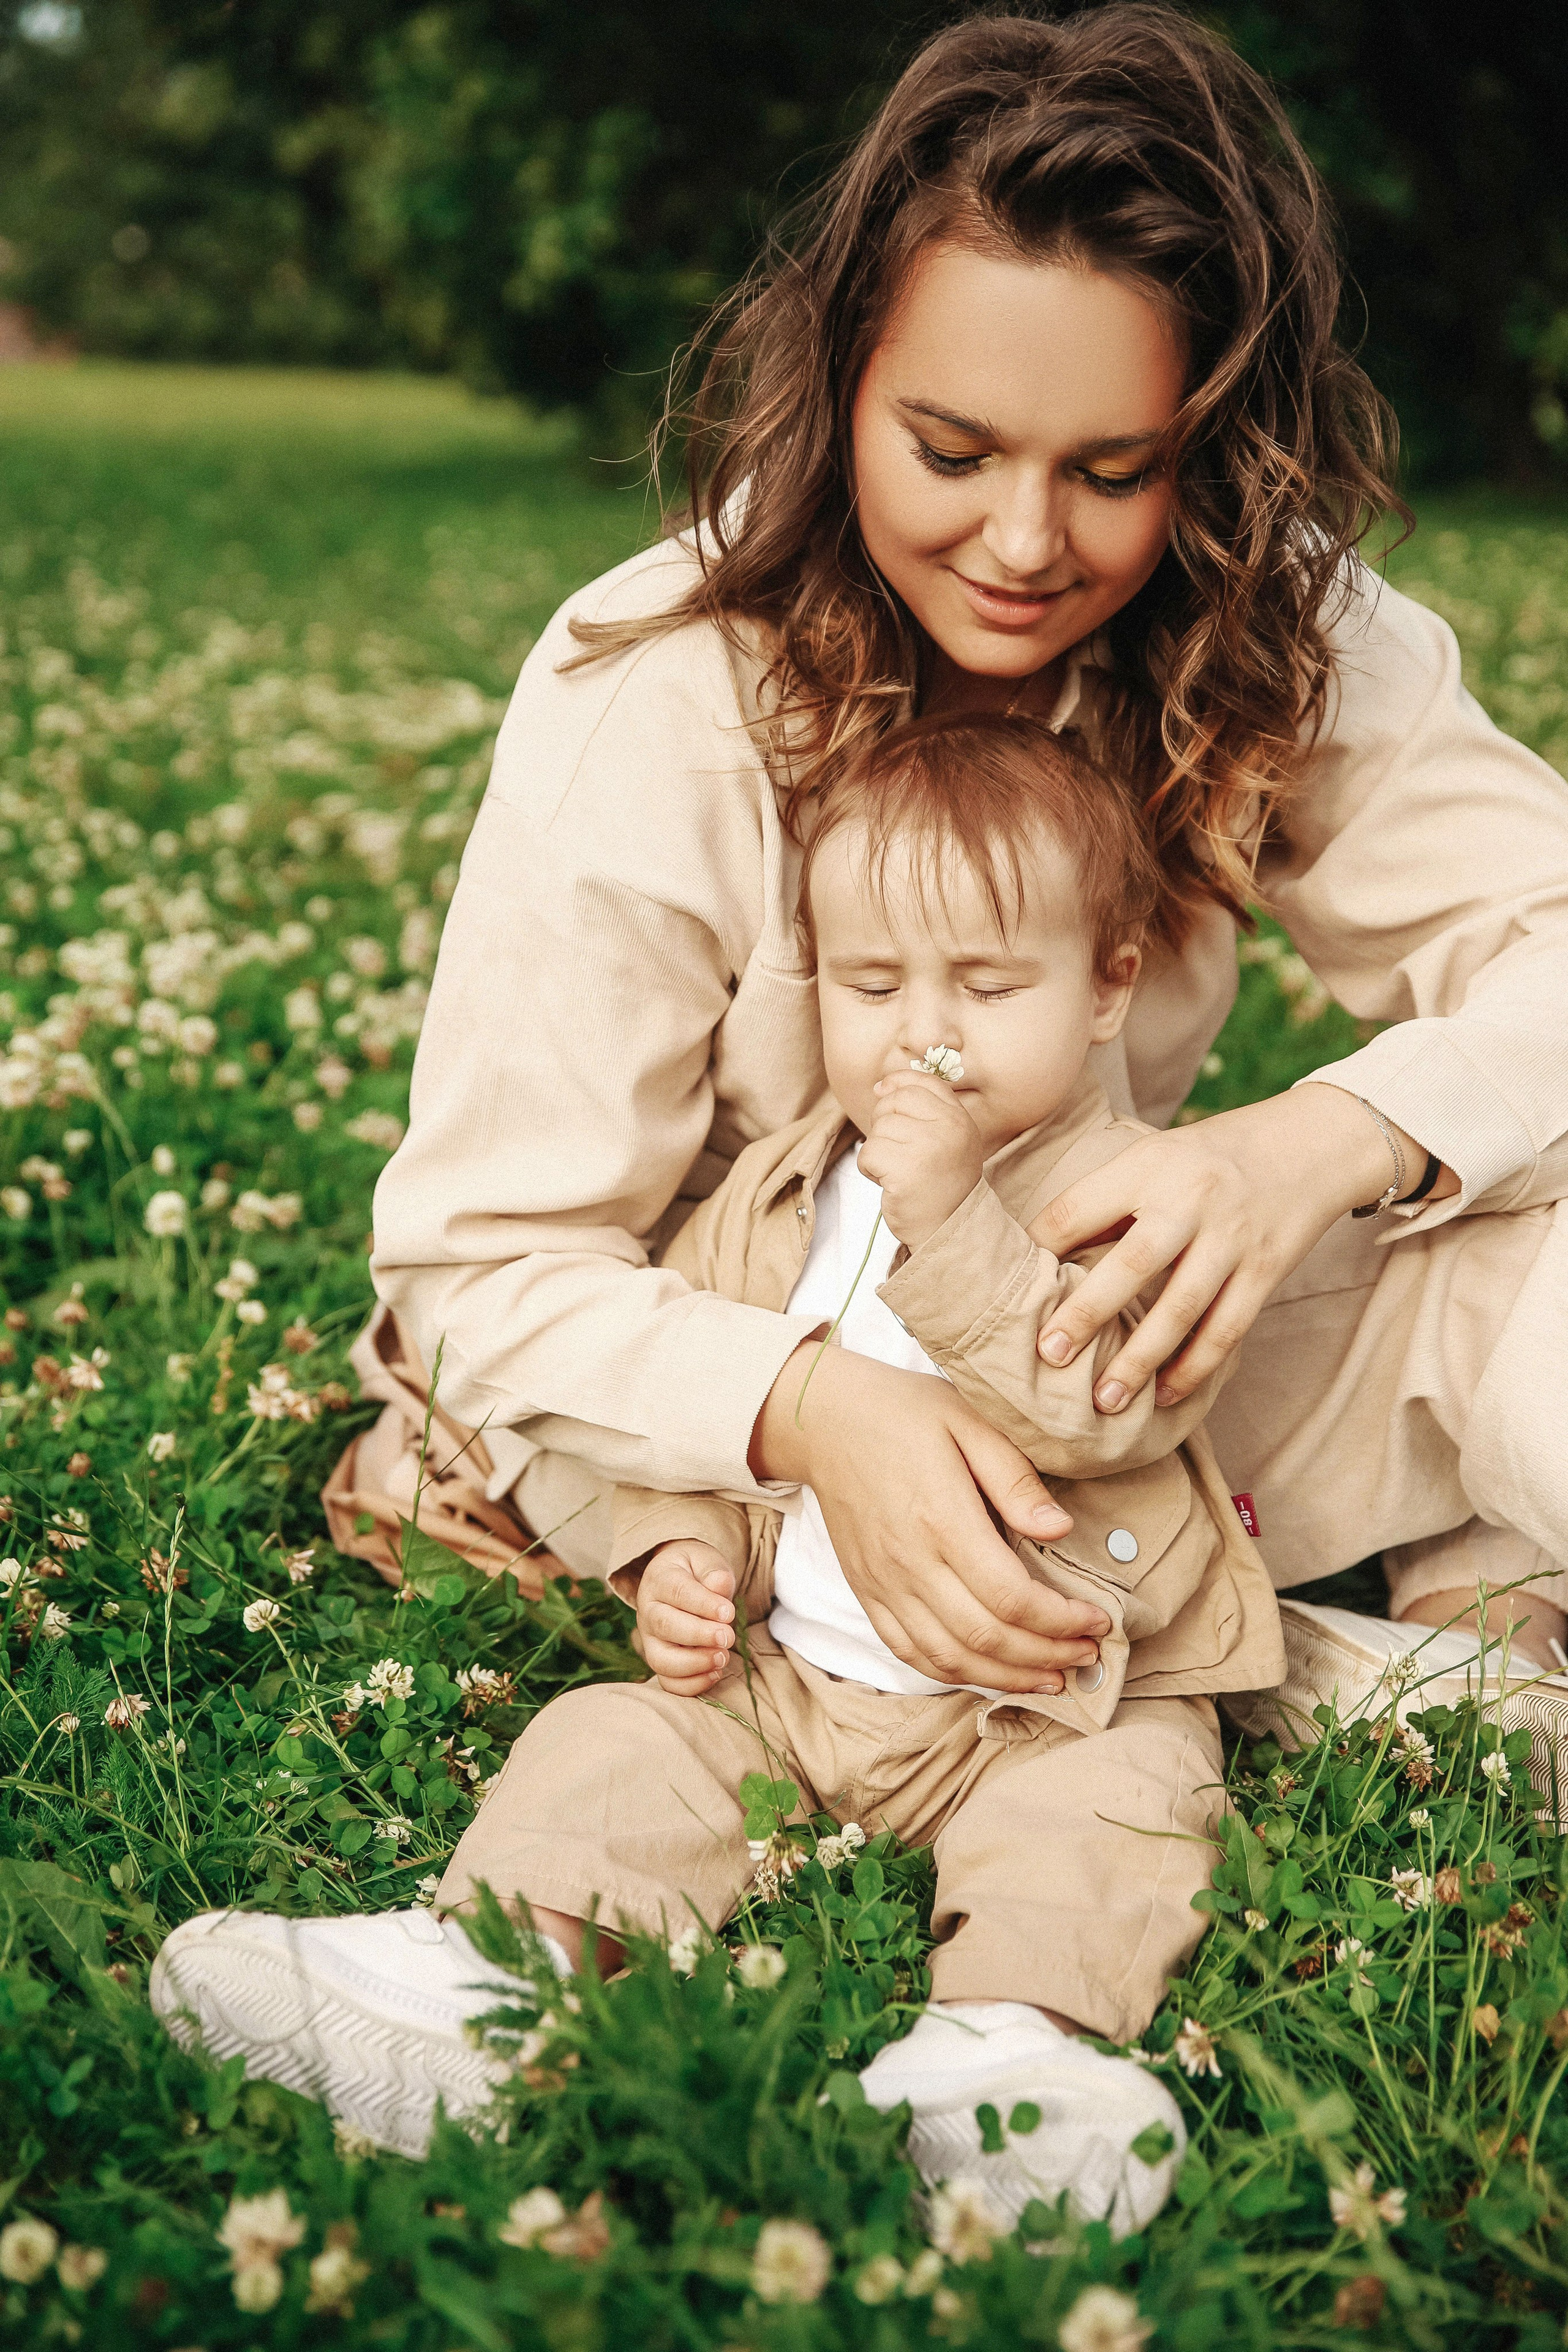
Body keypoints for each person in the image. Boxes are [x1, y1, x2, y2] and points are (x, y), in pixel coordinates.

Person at [151, 0, 1568, 2174]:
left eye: (1120, 467)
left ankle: (1326, 1668)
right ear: (838, 388)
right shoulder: (659, 685)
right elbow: (483, 1265)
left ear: (1222, 439)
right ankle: (1377, 1663)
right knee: (652, 1725)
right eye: (955, 447)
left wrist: (1317, 1143)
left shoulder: (1265, 624)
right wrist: (822, 1408)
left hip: (1106, 1355)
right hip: (706, 1423)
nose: (1027, 537)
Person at [440, 714, 1286, 2230]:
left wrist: (954, 1216)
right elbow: (692, 1393)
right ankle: (503, 1986)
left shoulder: (1123, 1194)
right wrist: (667, 1556)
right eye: (873, 984)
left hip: (1044, 1696)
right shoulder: (782, 1186)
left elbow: (1103, 1409)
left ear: (1108, 985)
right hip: (789, 1687)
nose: (921, 1035)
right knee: (612, 1746)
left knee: (1122, 1815)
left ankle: (1010, 2055)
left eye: (986, 984)